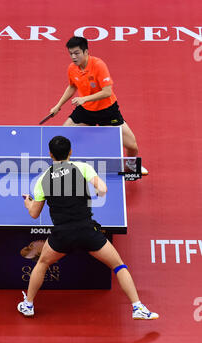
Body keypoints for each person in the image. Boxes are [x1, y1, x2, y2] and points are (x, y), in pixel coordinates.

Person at [17, 136, 158, 320]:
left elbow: (34, 214)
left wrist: (29, 203)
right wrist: (97, 192)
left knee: (42, 263)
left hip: (62, 235)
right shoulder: (82, 168)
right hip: (87, 231)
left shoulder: (43, 180)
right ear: (70, 152)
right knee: (119, 266)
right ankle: (137, 307)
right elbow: (103, 189)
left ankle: (28, 305)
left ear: (50, 155)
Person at [49, 36, 148, 175]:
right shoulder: (72, 68)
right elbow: (72, 86)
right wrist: (58, 105)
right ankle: (64, 169)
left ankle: (131, 165)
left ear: (86, 52)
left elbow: (107, 92)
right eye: (70, 53)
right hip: (86, 111)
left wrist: (85, 99)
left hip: (107, 110)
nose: (73, 57)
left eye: (76, 53)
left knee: (132, 146)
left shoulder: (98, 65)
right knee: (63, 138)